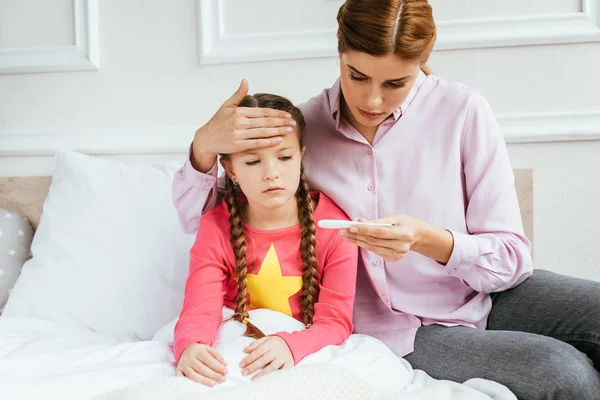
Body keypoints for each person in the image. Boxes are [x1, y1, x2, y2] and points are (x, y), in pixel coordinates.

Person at [171, 1, 600, 398]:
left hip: (487, 291)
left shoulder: (463, 111)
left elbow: (511, 259)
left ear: (422, 64)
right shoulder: (299, 131)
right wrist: (204, 145)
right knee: (564, 372)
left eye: (396, 82)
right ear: (339, 52)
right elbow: (204, 219)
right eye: (357, 76)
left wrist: (428, 240)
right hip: (403, 328)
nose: (372, 100)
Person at [173, 94, 358, 387]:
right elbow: (200, 308)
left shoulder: (335, 227)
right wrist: (191, 345)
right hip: (239, 342)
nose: (272, 174)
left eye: (284, 157)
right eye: (253, 161)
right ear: (231, 170)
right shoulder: (215, 227)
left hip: (300, 346)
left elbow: (335, 322)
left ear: (301, 157)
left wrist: (291, 346)